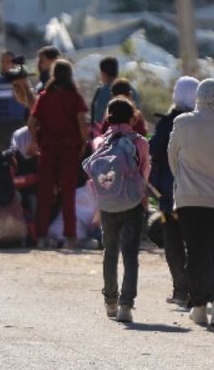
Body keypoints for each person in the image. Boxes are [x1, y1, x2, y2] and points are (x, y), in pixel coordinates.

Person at [168, 78, 214, 327]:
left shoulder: (182, 122)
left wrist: (185, 181)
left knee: (196, 252)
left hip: (191, 199)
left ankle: (198, 306)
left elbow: (173, 157)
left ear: (198, 98)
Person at [95, 97, 151, 324]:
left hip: (108, 203)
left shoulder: (100, 143)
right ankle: (126, 305)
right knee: (130, 254)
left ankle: (110, 301)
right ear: (132, 117)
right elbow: (145, 170)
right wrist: (143, 195)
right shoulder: (140, 142)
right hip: (132, 203)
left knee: (110, 252)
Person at [27, 59, 89, 249]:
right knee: (67, 193)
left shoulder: (44, 97)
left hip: (48, 149)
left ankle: (42, 237)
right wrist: (83, 143)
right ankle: (70, 237)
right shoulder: (75, 97)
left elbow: (31, 122)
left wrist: (36, 140)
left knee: (45, 193)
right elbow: (82, 123)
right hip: (69, 149)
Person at [150, 76, 199, 307]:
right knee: (195, 241)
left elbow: (154, 152)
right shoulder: (201, 123)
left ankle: (181, 290)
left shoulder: (167, 123)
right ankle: (198, 290)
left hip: (170, 194)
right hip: (198, 193)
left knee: (173, 241)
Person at [0, 52, 30, 152]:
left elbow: (28, 102)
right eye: (2, 61)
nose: (4, 64)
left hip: (16, 123)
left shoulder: (21, 80)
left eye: (8, 61)